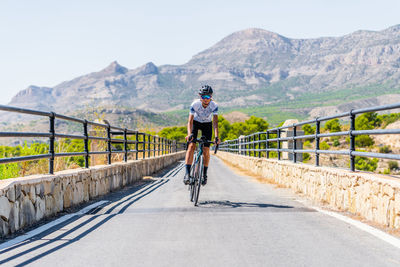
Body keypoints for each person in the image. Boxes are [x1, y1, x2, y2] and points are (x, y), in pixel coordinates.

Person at [183, 85, 220, 185]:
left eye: (208, 97)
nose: (206, 99)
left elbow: (215, 123)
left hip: (207, 125)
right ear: (200, 96)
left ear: (211, 97)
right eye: (204, 97)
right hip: (196, 122)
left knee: (206, 150)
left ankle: (204, 174)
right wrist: (189, 134)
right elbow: (190, 122)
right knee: (191, 145)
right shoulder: (195, 104)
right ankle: (187, 174)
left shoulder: (214, 105)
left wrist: (216, 137)